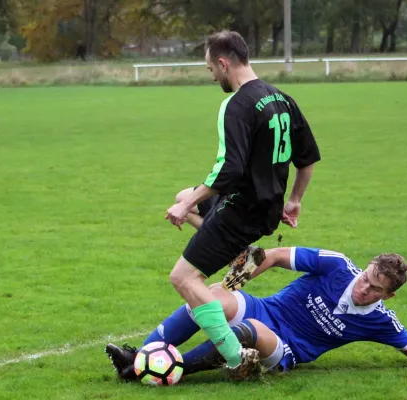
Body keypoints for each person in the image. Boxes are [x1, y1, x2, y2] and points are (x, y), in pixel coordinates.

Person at [160, 29, 321, 373]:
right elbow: (307, 158)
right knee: (182, 195)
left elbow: (228, 170)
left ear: (223, 62)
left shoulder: (236, 104)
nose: (212, 76)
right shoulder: (282, 98)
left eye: (210, 69)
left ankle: (237, 358)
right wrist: (294, 201)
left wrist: (188, 206)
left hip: (242, 210)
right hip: (267, 208)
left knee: (184, 279)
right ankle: (239, 252)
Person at [105, 246, 407, 382]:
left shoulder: (380, 321)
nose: (363, 288)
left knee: (249, 329)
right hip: (267, 307)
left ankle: (176, 368)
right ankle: (140, 357)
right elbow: (270, 255)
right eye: (365, 278)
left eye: (374, 289)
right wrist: (234, 283)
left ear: (389, 295)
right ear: (364, 269)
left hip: (284, 349)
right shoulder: (335, 265)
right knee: (211, 299)